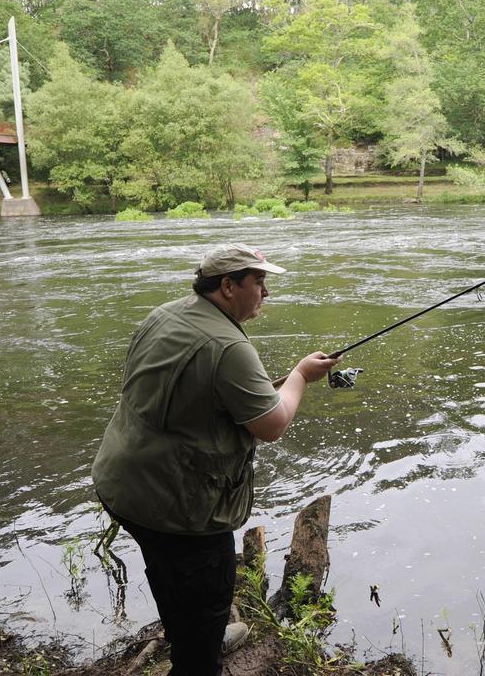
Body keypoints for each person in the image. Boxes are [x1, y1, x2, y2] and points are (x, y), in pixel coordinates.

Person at [92, 244, 338, 676]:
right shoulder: (230, 347)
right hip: (177, 506)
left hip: (122, 483)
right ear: (227, 286)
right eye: (258, 282)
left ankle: (191, 634)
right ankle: (199, 650)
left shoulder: (165, 314)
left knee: (167, 572)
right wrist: (300, 375)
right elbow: (272, 424)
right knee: (206, 593)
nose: (266, 292)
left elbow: (188, 393)